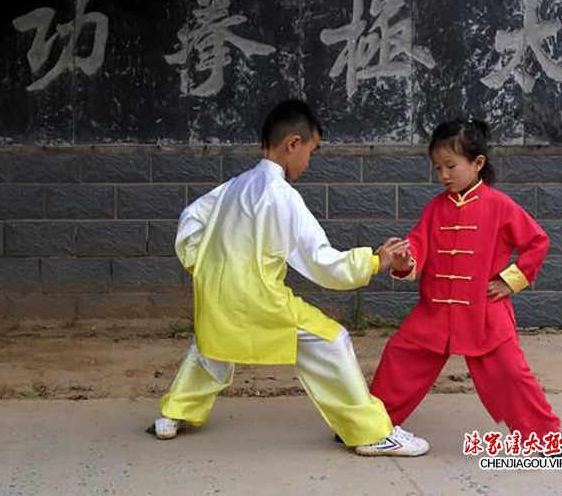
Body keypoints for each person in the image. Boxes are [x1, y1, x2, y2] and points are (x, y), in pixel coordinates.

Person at [148, 99, 429, 457]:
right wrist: (375, 261)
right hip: (260, 299)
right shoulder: (281, 196)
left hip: (215, 294)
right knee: (332, 341)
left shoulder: (234, 186)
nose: (308, 163)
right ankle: (369, 432)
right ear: (293, 143)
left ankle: (173, 415)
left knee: (211, 346)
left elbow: (190, 220)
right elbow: (320, 261)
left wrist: (202, 267)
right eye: (310, 152)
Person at [370, 117, 562, 454]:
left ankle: (548, 440)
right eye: (437, 168)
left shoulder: (500, 206)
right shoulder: (434, 210)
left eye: (451, 166)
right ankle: (367, 426)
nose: (444, 175)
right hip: (435, 311)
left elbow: (537, 242)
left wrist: (510, 280)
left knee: (511, 374)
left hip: (484, 311)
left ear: (477, 163)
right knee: (399, 357)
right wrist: (405, 262)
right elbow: (417, 245)